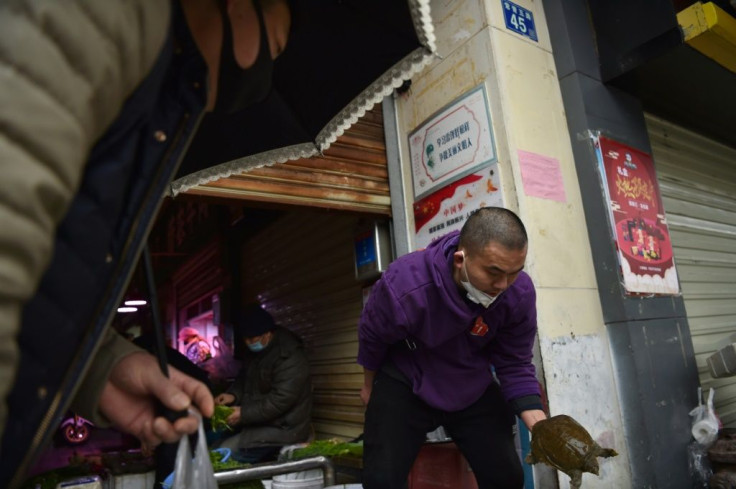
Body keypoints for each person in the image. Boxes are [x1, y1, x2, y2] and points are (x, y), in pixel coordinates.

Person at [0, 0, 291, 487]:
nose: (267, 72)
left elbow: (41, 274)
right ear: (241, 6)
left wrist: (103, 368)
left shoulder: (149, 91)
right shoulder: (99, 17)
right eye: (277, 45)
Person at [357, 207, 548, 489]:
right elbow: (373, 337)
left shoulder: (518, 294)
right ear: (461, 259)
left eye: (513, 273)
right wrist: (369, 386)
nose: (503, 285)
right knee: (381, 480)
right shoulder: (406, 283)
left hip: (470, 381)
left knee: (506, 477)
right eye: (493, 272)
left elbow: (515, 362)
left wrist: (543, 427)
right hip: (407, 377)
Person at [213, 304, 313, 463]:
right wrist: (232, 395)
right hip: (257, 422)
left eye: (252, 339)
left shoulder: (289, 357)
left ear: (268, 334)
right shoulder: (257, 352)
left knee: (224, 454)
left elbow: (279, 401)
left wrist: (243, 414)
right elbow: (243, 379)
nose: (248, 343)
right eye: (245, 339)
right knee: (213, 441)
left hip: (283, 429)